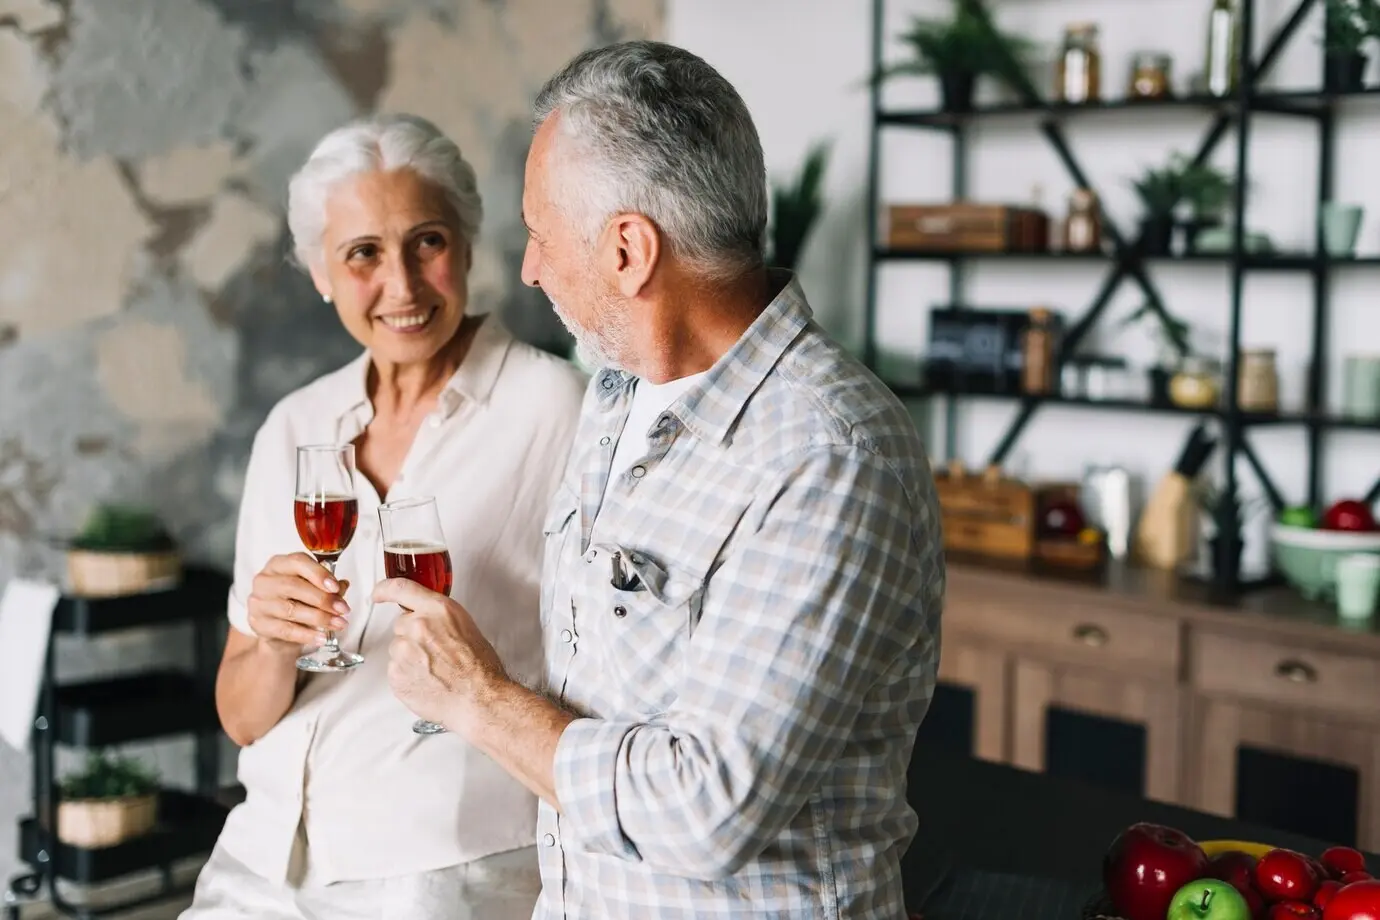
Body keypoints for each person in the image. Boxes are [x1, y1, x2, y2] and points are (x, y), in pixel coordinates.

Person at [374, 41, 946, 919]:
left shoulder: (828, 454)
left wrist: (477, 699)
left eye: (540, 234)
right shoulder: (615, 390)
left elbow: (705, 814)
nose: (528, 267)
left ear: (629, 251)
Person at [179, 113, 587, 920]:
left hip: (443, 862)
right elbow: (242, 718)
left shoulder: (557, 410)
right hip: (263, 855)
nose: (401, 286)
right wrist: (272, 642)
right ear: (320, 273)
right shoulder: (295, 427)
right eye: (363, 254)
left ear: (467, 246)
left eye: (427, 242)